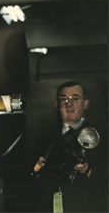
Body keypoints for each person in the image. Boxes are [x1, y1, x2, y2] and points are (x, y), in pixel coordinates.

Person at [32, 81, 107, 212]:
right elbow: (31, 182)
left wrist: (89, 170)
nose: (69, 104)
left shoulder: (103, 136)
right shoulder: (43, 138)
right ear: (57, 105)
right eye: (63, 99)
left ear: (86, 103)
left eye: (76, 99)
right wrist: (36, 170)